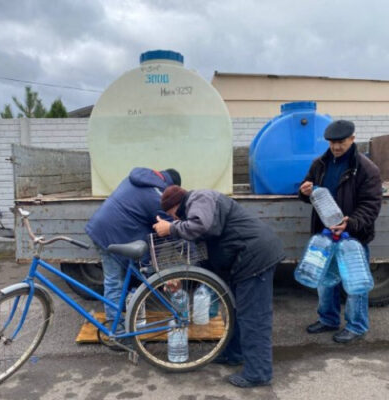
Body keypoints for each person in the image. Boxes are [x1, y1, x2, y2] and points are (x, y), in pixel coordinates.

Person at [153, 186, 285, 388]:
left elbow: (203, 226)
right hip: (241, 261)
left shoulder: (200, 198)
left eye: (170, 215)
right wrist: (183, 278)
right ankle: (233, 353)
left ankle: (258, 373)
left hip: (254, 257)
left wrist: (170, 228)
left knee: (253, 317)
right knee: (233, 311)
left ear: (173, 208)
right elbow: (205, 257)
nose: (172, 219)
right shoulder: (194, 209)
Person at [299, 120, 382, 343]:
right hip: (324, 236)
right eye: (332, 143)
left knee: (354, 285)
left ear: (353, 139)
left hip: (352, 238)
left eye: (341, 142)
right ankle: (328, 319)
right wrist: (304, 190)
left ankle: (357, 325)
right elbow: (310, 193)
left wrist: (351, 222)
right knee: (325, 282)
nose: (336, 147)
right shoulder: (320, 164)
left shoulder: (367, 169)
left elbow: (371, 205)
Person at [85, 167, 181, 324]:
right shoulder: (157, 196)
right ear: (171, 186)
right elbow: (174, 230)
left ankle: (119, 322)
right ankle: (116, 328)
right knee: (115, 282)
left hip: (101, 228)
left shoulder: (137, 179)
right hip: (111, 234)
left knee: (117, 281)